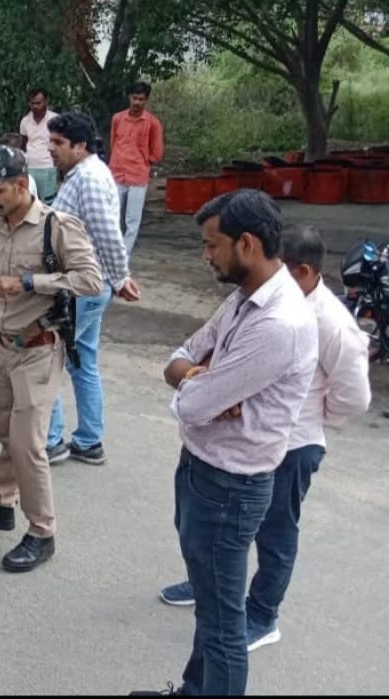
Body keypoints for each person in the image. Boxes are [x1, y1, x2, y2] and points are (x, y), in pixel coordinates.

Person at [132, 190, 318, 697]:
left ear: (248, 244)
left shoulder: (277, 323)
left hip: (229, 487)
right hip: (203, 470)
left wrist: (202, 385)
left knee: (222, 625)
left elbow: (193, 406)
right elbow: (182, 356)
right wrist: (199, 375)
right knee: (213, 611)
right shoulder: (244, 297)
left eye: (212, 245)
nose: (206, 255)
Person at [154, 227, 370, 647]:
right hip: (236, 441)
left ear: (302, 271)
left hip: (292, 445)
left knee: (274, 535)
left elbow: (355, 397)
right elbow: (199, 352)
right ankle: (208, 581)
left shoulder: (328, 321)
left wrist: (306, 418)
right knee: (205, 526)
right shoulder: (255, 302)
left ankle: (262, 615)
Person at [0, 147, 103, 573]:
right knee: (7, 432)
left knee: (27, 443)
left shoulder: (57, 226)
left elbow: (92, 280)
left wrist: (33, 282)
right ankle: (1, 503)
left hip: (39, 348)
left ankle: (42, 531)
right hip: (3, 347)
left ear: (21, 185)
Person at [45, 111, 142, 467]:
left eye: (58, 143)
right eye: (50, 141)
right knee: (82, 360)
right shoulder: (83, 175)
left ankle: (51, 440)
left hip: (81, 288)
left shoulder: (89, 178)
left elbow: (107, 235)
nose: (51, 149)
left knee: (46, 358)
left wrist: (120, 278)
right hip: (86, 286)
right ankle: (88, 440)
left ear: (80, 145)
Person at [109, 81, 165, 257]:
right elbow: (113, 143)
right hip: (117, 173)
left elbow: (157, 153)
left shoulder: (153, 123)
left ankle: (123, 257)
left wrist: (143, 160)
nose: (137, 102)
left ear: (146, 100)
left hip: (138, 177)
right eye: (134, 98)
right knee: (113, 217)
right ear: (129, 98)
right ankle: (112, 252)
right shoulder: (118, 119)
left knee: (132, 221)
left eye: (141, 99)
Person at [20, 88, 59, 202]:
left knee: (48, 202)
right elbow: (23, 144)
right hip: (30, 168)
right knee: (30, 202)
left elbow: (61, 142)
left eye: (38, 103)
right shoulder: (25, 121)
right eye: (32, 103)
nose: (35, 106)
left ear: (46, 102)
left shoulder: (55, 119)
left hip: (48, 167)